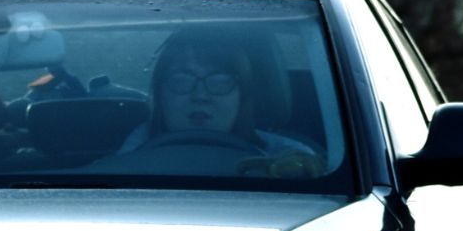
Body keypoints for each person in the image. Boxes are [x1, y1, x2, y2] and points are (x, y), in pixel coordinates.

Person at [115, 27, 323, 176]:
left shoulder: (289, 155)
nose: (200, 95)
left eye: (220, 82)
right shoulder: (138, 145)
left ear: (243, 96)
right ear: (160, 94)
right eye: (181, 81)